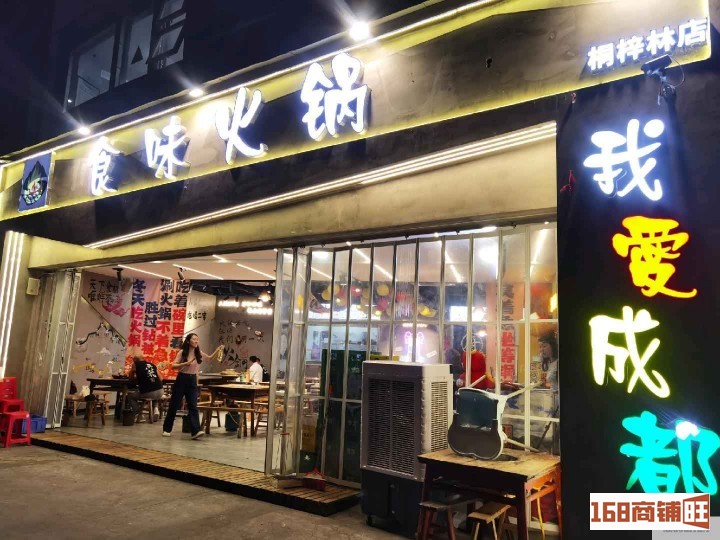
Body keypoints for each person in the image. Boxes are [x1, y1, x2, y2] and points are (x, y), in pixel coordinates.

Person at [162, 333, 222, 439]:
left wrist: (217, 350)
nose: (196, 341)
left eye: (197, 339)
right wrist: (184, 364)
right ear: (188, 341)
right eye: (194, 339)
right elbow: (173, 366)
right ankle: (167, 429)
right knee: (174, 404)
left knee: (193, 406)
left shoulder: (198, 352)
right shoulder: (182, 352)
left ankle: (196, 431)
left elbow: (209, 358)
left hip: (192, 380)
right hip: (182, 379)